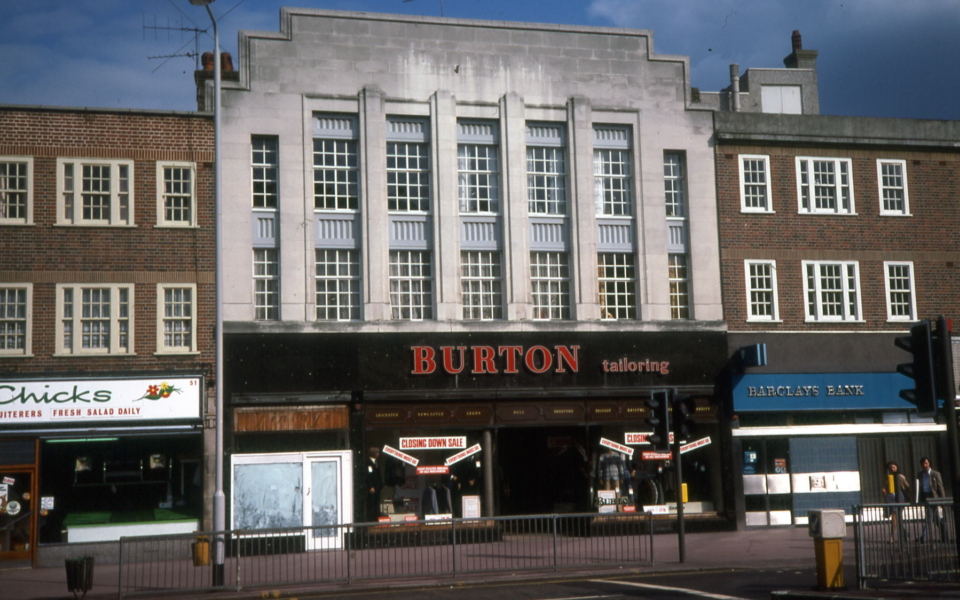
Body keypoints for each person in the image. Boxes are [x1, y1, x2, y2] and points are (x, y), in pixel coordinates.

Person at [916, 457, 945, 543]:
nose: (924, 465)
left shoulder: (935, 474)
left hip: (933, 497)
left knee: (929, 517)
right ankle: (944, 535)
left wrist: (942, 500)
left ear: (929, 464)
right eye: (923, 463)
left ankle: (924, 537)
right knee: (936, 519)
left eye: (926, 463)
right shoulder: (920, 474)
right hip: (925, 496)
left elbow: (940, 487)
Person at [881, 461, 909, 542]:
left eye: (894, 467)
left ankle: (891, 536)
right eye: (890, 468)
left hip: (899, 498)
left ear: (897, 467)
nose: (892, 469)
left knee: (895, 516)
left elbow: (907, 487)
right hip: (890, 498)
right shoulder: (887, 477)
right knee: (897, 518)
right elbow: (884, 486)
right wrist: (884, 491)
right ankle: (905, 534)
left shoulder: (900, 476)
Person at [365, 447, 383, 522]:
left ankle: (376, 517)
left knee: (377, 502)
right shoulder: (368, 462)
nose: (378, 454)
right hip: (372, 487)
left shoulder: (376, 462)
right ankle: (371, 519)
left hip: (377, 486)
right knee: (371, 503)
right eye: (377, 452)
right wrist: (371, 486)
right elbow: (368, 475)